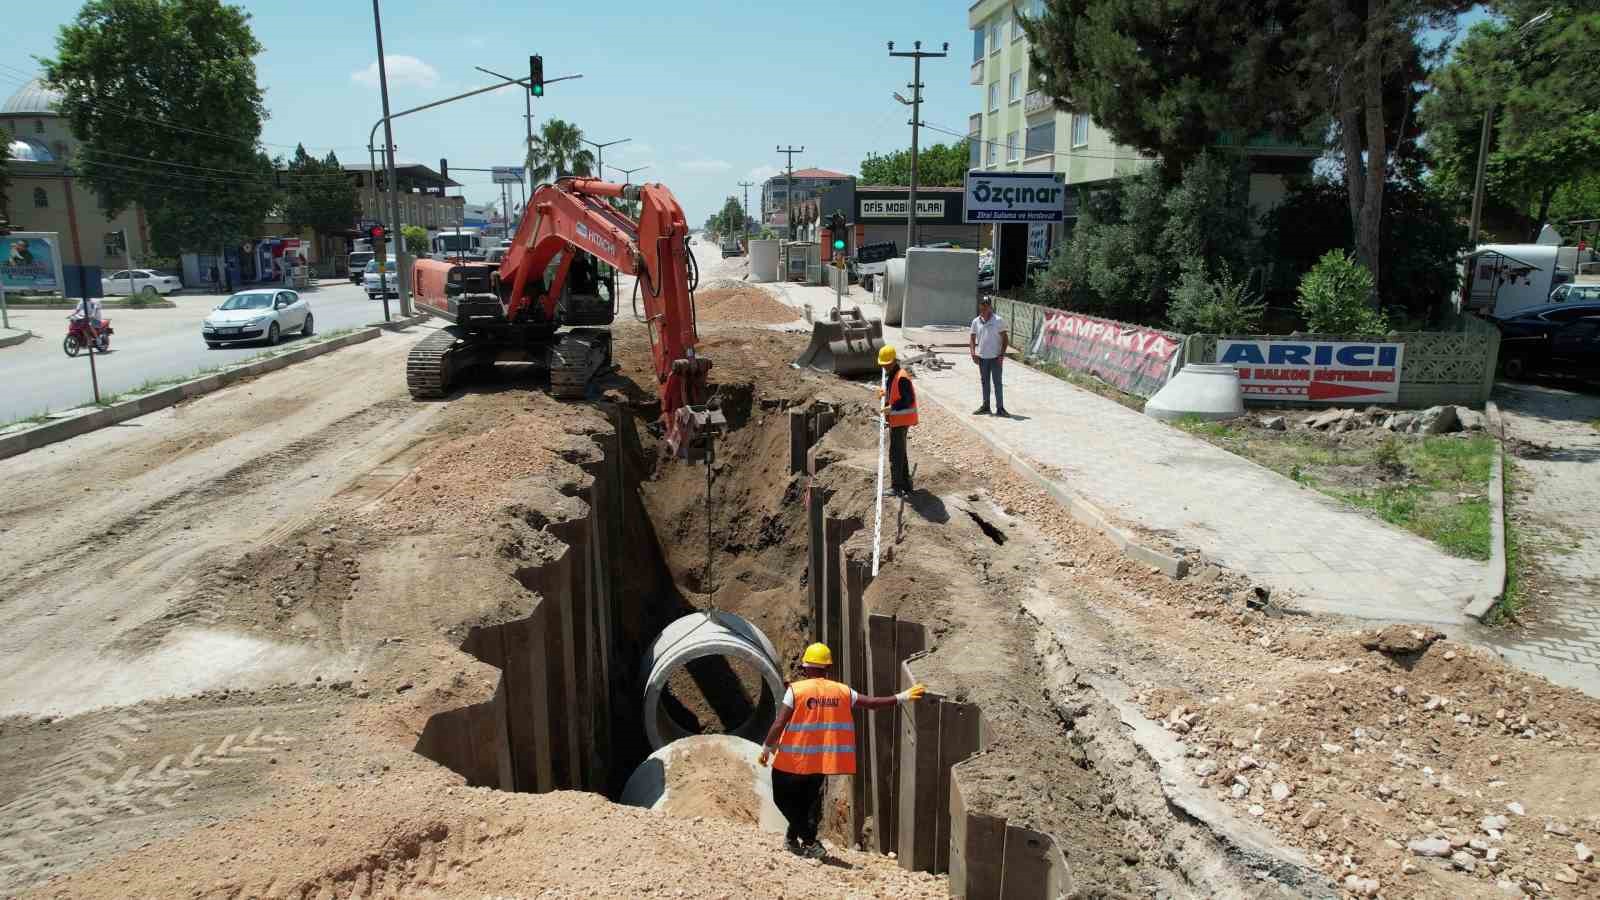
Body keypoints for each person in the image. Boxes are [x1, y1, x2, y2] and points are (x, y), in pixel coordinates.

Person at [757, 642, 925, 858]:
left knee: (782, 799)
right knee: (805, 803)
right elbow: (873, 703)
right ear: (828, 668)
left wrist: (766, 747)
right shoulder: (842, 691)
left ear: (806, 667)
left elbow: (779, 723)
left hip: (792, 761)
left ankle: (810, 842)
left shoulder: (796, 691)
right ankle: (792, 839)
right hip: (820, 763)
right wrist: (902, 696)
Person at [877, 344, 917, 496]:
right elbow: (895, 392)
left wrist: (891, 408)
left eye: (886, 364)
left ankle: (896, 487)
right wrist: (884, 393)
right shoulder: (893, 374)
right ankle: (906, 484)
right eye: (883, 365)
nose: (884, 367)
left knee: (895, 454)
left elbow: (907, 400)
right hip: (897, 419)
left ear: (893, 361)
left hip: (901, 420)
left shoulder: (901, 377)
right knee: (901, 452)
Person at [970, 299, 1010, 417]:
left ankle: (1000, 408)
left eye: (986, 307)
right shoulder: (976, 321)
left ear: (990, 307)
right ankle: (986, 406)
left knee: (997, 383)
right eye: (981, 307)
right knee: (985, 383)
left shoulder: (998, 320)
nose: (983, 310)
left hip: (995, 358)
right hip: (982, 358)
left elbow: (1005, 339)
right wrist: (973, 353)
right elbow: (972, 338)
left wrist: (1001, 355)